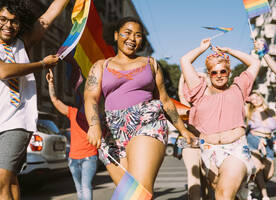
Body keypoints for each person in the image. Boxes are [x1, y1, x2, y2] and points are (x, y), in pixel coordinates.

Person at [83, 16, 195, 196]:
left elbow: (165, 100)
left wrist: (183, 130)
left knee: (139, 191)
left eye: (138, 35)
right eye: (127, 33)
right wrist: (94, 125)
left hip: (147, 121)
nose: (132, 39)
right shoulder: (100, 66)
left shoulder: (150, 64)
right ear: (116, 35)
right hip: (112, 131)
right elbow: (90, 98)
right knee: (132, 194)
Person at [0, 0, 69, 199]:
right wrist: (42, 64)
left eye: (14, 21)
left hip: (17, 120)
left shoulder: (22, 43)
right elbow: (2, 71)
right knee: (9, 181)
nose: (8, 25)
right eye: (3, 19)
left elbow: (49, 15)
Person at [180, 38, 261, 200]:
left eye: (223, 71)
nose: (219, 75)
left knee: (223, 195)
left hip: (236, 150)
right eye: (214, 72)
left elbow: (254, 63)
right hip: (209, 152)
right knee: (219, 191)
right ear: (209, 74)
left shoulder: (238, 88)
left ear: (229, 73)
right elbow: (185, 60)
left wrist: (229, 51)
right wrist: (202, 48)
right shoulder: (199, 91)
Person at [46, 69, 98, 200]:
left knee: (82, 188)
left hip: (80, 158)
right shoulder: (86, 115)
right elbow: (56, 101)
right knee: (84, 187)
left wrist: (51, 84)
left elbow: (55, 100)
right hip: (81, 158)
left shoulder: (75, 113)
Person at [178, 73, 213, 200]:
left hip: (208, 142)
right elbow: (181, 95)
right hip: (190, 142)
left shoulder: (210, 101)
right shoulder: (187, 106)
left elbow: (210, 87)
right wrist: (183, 77)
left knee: (207, 178)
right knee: (194, 177)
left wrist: (203, 76)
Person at [245, 92, 276, 200]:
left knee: (269, 173)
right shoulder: (249, 111)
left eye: (257, 96)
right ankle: (265, 196)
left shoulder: (270, 111)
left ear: (261, 96)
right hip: (254, 140)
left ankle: (257, 185)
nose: (256, 100)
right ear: (250, 102)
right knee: (258, 168)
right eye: (252, 99)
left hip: (269, 141)